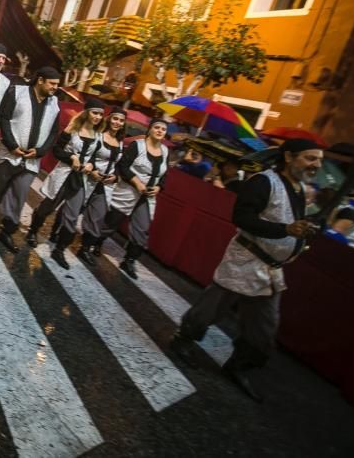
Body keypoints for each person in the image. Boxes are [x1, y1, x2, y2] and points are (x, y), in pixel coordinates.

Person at [170, 139, 323, 402]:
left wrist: (301, 235)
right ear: (289, 157)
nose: (316, 165)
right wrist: (285, 231)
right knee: (212, 307)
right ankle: (183, 340)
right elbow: (242, 218)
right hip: (245, 260)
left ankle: (239, 366)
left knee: (265, 327)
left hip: (272, 270)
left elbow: (290, 222)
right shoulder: (263, 182)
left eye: (319, 160)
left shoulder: (300, 189)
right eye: (310, 158)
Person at [0, 66, 62, 253]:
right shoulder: (17, 92)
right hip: (9, 154)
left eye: (57, 84)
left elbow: (53, 131)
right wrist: (12, 144)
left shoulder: (54, 103)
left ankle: (7, 230)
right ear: (40, 80)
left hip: (31, 160)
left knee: (19, 194)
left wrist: (40, 151)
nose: (55, 87)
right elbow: (4, 119)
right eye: (52, 83)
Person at [27, 97, 105, 247]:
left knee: (72, 215)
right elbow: (56, 150)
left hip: (80, 179)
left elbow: (95, 156)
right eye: (95, 113)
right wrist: (71, 157)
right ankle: (32, 230)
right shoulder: (72, 129)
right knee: (47, 208)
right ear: (87, 112)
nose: (97, 117)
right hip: (64, 175)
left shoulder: (98, 135)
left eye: (100, 115)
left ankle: (60, 249)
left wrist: (91, 165)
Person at [108, 118, 171, 279]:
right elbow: (123, 166)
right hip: (128, 191)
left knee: (141, 230)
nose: (159, 131)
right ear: (149, 129)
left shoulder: (165, 151)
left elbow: (164, 175)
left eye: (163, 129)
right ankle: (92, 243)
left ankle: (129, 261)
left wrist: (158, 187)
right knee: (112, 222)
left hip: (147, 197)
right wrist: (137, 183)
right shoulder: (138, 145)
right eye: (156, 127)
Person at [69, 107, 127, 267]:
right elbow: (90, 154)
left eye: (121, 120)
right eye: (115, 118)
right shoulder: (98, 136)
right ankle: (58, 234)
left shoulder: (121, 143)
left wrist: (115, 176)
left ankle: (85, 248)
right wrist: (93, 170)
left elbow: (119, 165)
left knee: (97, 217)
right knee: (73, 209)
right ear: (109, 119)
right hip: (88, 178)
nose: (118, 122)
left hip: (105, 185)